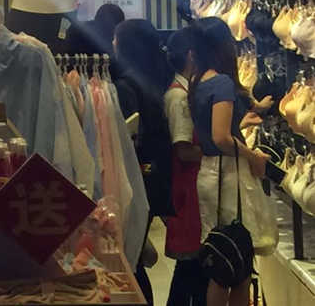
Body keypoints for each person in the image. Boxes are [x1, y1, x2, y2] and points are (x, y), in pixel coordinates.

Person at [189, 17, 272, 306]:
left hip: (210, 171)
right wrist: (253, 156)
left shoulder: (198, 81)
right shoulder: (222, 82)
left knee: (222, 259)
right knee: (237, 262)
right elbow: (221, 137)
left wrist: (243, 121)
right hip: (227, 174)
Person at [113, 18, 174, 306]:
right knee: (135, 258)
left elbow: (129, 135)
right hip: (156, 174)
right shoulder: (160, 78)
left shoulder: (125, 86)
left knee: (131, 261)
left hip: (137, 176)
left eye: (116, 39)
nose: (113, 44)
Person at [163, 28, 206, 306]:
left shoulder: (186, 91)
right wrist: (218, 149)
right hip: (187, 188)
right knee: (191, 266)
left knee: (190, 269)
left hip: (191, 185)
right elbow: (183, 150)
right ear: (192, 55)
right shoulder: (178, 97)